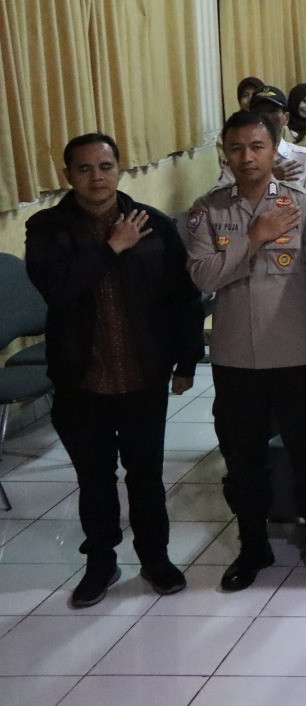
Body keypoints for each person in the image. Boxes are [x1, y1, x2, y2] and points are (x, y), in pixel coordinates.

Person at [24, 133, 203, 607]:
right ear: (68, 176)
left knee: (146, 475)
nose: (96, 177)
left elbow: (183, 298)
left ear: (119, 168)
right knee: (95, 478)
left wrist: (187, 360)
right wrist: (111, 248)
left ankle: (155, 558)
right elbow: (58, 289)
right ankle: (101, 561)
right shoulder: (47, 228)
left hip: (143, 376)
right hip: (82, 379)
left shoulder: (153, 225)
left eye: (104, 166)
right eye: (84, 169)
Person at [184, 111, 306, 592]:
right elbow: (203, 276)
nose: (247, 157)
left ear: (275, 150)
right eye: (236, 149)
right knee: (242, 464)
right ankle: (253, 545)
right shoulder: (207, 211)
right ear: (225, 154)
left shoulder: (302, 208)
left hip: (297, 360)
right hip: (236, 361)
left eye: (257, 147)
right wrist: (254, 238)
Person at [218, 85, 306, 207]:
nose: (266, 118)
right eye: (259, 112)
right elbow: (223, 204)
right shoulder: (240, 158)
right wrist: (268, 178)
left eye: (272, 111)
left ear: (286, 118)